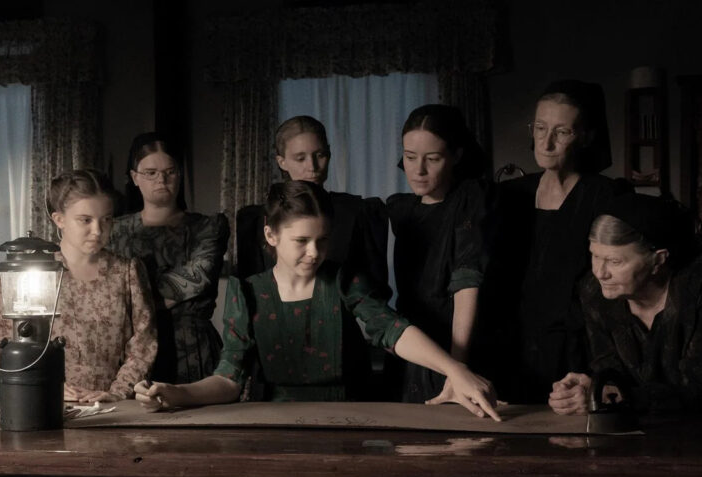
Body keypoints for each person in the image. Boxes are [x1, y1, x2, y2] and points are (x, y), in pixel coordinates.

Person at [135, 180, 500, 420]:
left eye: (323, 240)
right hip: (272, 422)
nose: (314, 252)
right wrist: (177, 393)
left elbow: (392, 329)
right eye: (301, 241)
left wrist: (455, 369)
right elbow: (229, 380)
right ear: (271, 235)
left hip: (348, 419)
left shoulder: (343, 280)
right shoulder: (247, 292)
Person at [477, 80, 631, 404]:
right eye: (540, 128)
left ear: (586, 136)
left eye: (562, 132)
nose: (546, 143)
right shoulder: (509, 195)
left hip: (575, 353)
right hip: (511, 350)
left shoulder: (606, 195)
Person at [549, 194, 702, 415]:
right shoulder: (594, 291)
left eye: (614, 261)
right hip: (641, 426)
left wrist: (618, 398)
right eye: (595, 256)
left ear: (658, 259)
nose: (600, 273)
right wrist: (592, 389)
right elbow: (609, 369)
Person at [0, 169, 157, 404]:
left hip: (111, 405)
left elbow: (144, 344)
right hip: (42, 400)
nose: (97, 231)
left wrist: (117, 392)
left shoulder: (126, 272)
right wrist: (45, 383)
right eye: (85, 220)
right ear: (59, 220)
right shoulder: (28, 273)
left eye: (106, 219)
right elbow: (3, 339)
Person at [386, 104, 488, 403]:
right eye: (410, 157)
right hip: (409, 346)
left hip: (456, 343)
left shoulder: (471, 199)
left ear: (456, 156)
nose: (418, 170)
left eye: (432, 159)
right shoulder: (400, 209)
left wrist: (457, 370)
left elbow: (467, 283)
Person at [107, 132, 228, 384]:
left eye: (169, 172)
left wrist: (133, 298)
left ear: (179, 174)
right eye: (150, 173)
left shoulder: (208, 227)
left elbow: (197, 279)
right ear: (135, 178)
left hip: (192, 348)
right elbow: (106, 289)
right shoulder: (114, 231)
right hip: (132, 349)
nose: (161, 180)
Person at [236, 115, 388, 292]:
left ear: (329, 154)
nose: (312, 167)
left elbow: (375, 288)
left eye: (320, 155)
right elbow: (249, 290)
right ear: (282, 162)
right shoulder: (255, 220)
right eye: (300, 158)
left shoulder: (358, 212)